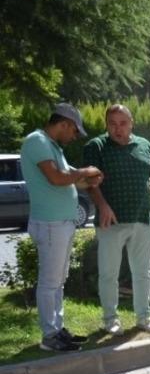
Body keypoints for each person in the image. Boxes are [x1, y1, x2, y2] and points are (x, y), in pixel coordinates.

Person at [19, 103, 103, 352]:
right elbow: (56, 178)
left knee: (58, 281)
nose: (74, 137)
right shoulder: (38, 141)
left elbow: (67, 180)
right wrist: (85, 171)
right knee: (49, 281)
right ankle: (49, 336)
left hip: (61, 223)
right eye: (75, 131)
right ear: (64, 123)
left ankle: (57, 329)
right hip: (50, 223)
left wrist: (88, 180)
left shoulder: (53, 146)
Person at [83, 103, 150, 336]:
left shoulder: (145, 145)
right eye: (112, 124)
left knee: (142, 272)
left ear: (131, 123)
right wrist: (102, 206)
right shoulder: (96, 146)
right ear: (106, 125)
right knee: (109, 274)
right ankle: (110, 320)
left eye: (122, 123)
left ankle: (144, 318)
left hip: (142, 219)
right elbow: (91, 183)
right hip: (110, 222)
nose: (117, 129)